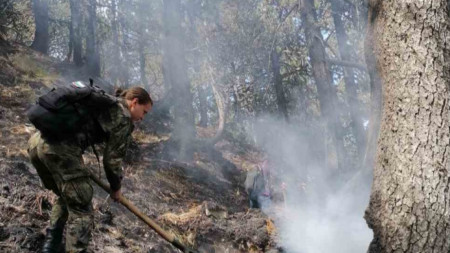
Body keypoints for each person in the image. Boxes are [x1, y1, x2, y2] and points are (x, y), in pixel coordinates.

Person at [27, 86, 152, 253]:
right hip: (60, 150)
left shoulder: (106, 102)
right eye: (144, 112)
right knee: (82, 208)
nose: (143, 118)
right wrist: (116, 189)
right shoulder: (123, 117)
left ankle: (50, 246)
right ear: (134, 103)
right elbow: (112, 162)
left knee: (68, 197)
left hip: (36, 144)